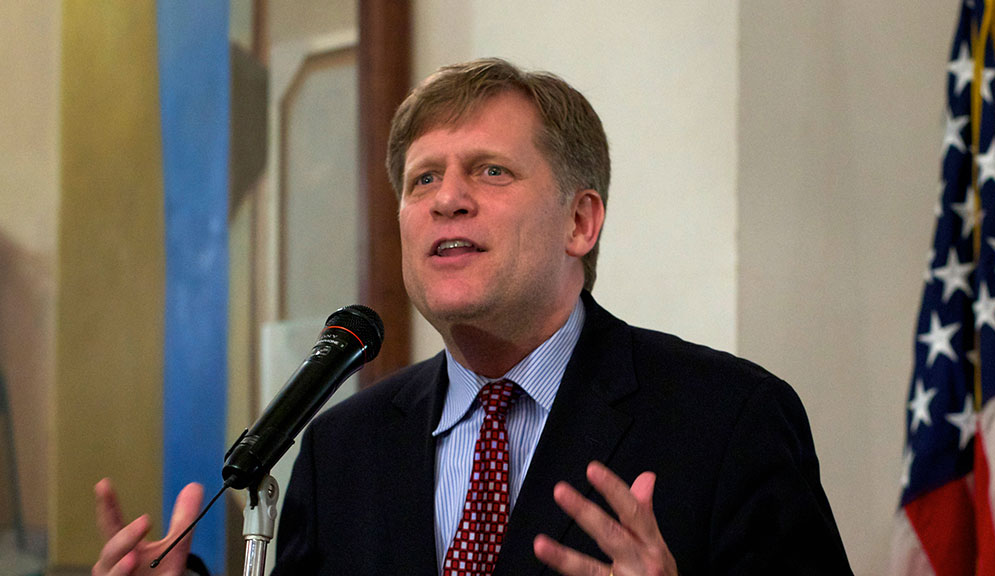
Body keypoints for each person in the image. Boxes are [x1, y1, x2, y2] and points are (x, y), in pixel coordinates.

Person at [94, 58, 852, 575]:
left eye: (491, 170)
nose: (447, 199)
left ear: (580, 223)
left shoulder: (728, 419)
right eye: (423, 178)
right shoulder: (342, 449)